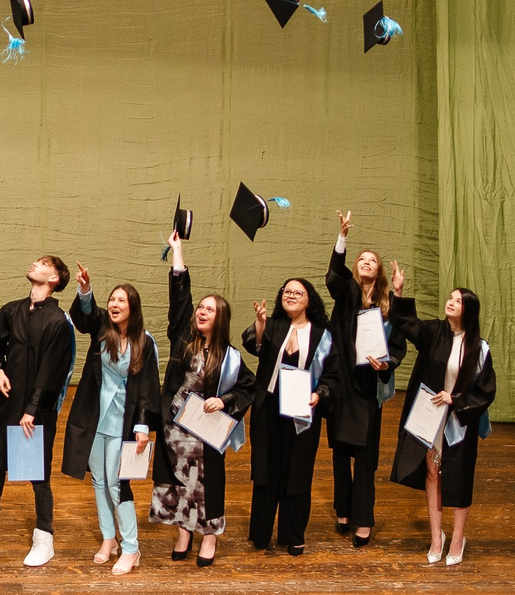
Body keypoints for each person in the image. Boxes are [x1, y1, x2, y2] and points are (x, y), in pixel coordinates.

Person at [0, 253, 77, 567]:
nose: (35, 265)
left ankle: (44, 536)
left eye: (44, 264)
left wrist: (32, 408)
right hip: (7, 401)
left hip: (36, 411)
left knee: (36, 471)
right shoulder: (12, 310)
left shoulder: (58, 321)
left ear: (54, 279)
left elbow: (52, 370)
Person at [153, 232, 253, 566]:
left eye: (209, 309)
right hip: (176, 427)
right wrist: (178, 253)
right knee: (180, 480)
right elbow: (180, 301)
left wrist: (224, 401)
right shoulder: (184, 341)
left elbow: (248, 388)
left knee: (206, 484)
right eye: (200, 308)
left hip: (206, 431)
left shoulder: (231, 358)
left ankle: (209, 535)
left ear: (220, 317)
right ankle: (184, 530)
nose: (201, 312)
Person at [389, 276, 498, 565]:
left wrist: (457, 400)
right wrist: (398, 293)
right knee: (432, 473)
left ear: (469, 309)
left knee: (460, 479)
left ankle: (458, 538)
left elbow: (486, 391)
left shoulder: (479, 348)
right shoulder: (434, 332)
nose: (451, 302)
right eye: (450, 298)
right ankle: (437, 537)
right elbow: (405, 324)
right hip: (430, 418)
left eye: (458, 300)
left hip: (460, 423)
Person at [65, 267, 159, 573]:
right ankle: (109, 538)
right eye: (112, 299)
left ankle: (131, 548)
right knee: (98, 481)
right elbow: (85, 318)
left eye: (122, 300)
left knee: (118, 484)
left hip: (124, 420)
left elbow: (147, 386)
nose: (115, 304)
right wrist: (85, 289)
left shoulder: (144, 342)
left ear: (133, 307)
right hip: (95, 417)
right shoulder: (103, 329)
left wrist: (143, 426)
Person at [240, 276, 336, 555]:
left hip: (302, 411)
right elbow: (253, 346)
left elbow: (333, 374)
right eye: (287, 292)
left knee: (297, 472)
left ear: (309, 300)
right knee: (266, 471)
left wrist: (321, 394)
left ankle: (292, 535)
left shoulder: (322, 335)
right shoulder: (273, 325)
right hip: (269, 408)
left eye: (298, 292)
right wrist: (260, 324)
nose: (291, 296)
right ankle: (261, 534)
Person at [326, 213, 402, 548]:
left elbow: (398, 346)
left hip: (369, 389)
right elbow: (332, 276)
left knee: (365, 459)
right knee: (340, 453)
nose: (366, 262)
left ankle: (364, 520)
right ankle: (343, 509)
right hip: (342, 385)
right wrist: (342, 238)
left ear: (380, 271)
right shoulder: (345, 295)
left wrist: (385, 365)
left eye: (372, 260)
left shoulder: (388, 306)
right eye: (361, 259)